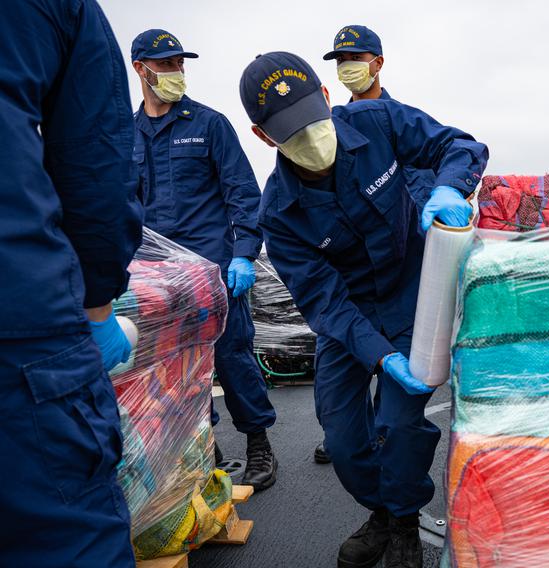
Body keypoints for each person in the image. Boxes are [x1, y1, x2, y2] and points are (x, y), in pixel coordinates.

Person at [240, 51, 487, 568]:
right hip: (346, 321)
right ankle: (378, 509)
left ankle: (401, 522)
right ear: (264, 137)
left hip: (408, 300)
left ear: (328, 99)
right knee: (343, 439)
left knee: (399, 425)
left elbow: (459, 145)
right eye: (291, 132)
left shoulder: (378, 122)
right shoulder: (279, 213)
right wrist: (379, 356)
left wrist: (448, 185)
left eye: (313, 120)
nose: (311, 138)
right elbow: (323, 300)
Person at [0, 1, 143, 565]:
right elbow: (97, 170)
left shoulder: (209, 125)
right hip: (22, 315)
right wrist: (97, 304)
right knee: (63, 539)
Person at [130, 29, 278, 490]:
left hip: (213, 273)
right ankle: (202, 451)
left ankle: (258, 445)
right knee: (173, 369)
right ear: (141, 69)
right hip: (154, 278)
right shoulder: (123, 134)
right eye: (167, 64)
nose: (176, 72)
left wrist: (244, 256)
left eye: (179, 64)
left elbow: (242, 194)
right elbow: (115, 207)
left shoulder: (208, 124)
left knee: (232, 356)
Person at [310, 24, 437, 466]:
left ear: (378, 63)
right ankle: (355, 436)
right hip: (350, 284)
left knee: (397, 406)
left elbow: (421, 189)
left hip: (400, 277)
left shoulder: (396, 121)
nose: (348, 68)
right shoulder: (323, 132)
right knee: (339, 401)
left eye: (356, 59)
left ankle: (394, 488)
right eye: (341, 61)